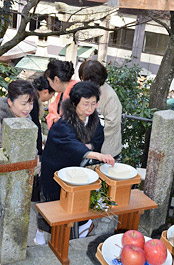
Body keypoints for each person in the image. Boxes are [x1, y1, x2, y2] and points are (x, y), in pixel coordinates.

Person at [35, 81, 115, 245]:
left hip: (77, 167)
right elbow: (68, 142)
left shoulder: (93, 121)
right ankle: (40, 233)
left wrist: (90, 147)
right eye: (85, 104)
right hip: (55, 166)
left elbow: (98, 139)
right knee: (51, 203)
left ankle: (74, 230)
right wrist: (92, 152)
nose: (90, 108)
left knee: (73, 203)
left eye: (93, 104)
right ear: (74, 103)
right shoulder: (63, 123)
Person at [79, 60, 122, 159]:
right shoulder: (88, 90)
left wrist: (89, 137)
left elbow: (111, 124)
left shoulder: (109, 96)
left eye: (83, 79)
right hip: (87, 144)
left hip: (105, 149)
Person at [0, 79, 37, 146]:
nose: (28, 108)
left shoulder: (27, 120)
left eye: (31, 103)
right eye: (23, 104)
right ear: (10, 102)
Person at [44, 59, 78, 129]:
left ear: (56, 80)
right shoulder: (62, 92)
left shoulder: (77, 93)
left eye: (49, 81)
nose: (49, 84)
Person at [31, 76, 55, 157]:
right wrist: (39, 152)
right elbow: (35, 124)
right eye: (52, 95)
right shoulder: (33, 102)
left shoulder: (32, 95)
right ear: (45, 92)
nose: (51, 98)